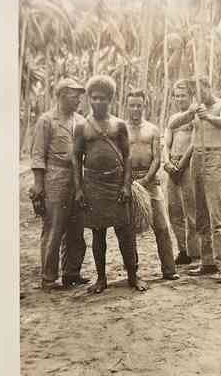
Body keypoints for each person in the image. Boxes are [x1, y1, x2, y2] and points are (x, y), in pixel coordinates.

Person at [73, 75, 147, 293]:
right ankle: (101, 278)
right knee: (98, 234)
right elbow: (76, 159)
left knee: (126, 233)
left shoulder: (118, 125)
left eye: (102, 98)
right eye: (94, 98)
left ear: (110, 99)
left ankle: (133, 275)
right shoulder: (82, 127)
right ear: (89, 99)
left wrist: (126, 185)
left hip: (116, 184)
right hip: (93, 185)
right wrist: (79, 189)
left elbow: (127, 156)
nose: (98, 102)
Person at [168, 76, 221, 284]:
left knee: (217, 215)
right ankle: (207, 261)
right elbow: (173, 123)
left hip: (215, 156)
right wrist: (190, 113)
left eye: (201, 90)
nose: (199, 94)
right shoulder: (195, 108)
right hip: (197, 157)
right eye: (195, 91)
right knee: (200, 214)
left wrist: (208, 117)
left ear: (208, 87)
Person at [30, 78, 89, 291]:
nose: (78, 100)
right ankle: (49, 277)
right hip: (55, 177)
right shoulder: (46, 121)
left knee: (77, 228)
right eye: (74, 96)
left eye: (79, 96)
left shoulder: (81, 121)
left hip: (77, 178)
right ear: (62, 96)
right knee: (54, 228)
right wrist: (38, 185)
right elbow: (38, 155)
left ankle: (72, 272)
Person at [126, 89, 179, 281]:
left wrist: (146, 179)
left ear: (144, 106)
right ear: (127, 106)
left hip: (150, 180)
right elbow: (121, 157)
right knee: (129, 229)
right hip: (129, 182)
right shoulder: (122, 129)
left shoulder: (152, 129)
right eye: (132, 105)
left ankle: (169, 269)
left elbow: (157, 158)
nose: (135, 109)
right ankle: (132, 272)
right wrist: (129, 181)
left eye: (139, 105)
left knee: (162, 225)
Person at [163, 79, 201, 265]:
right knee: (174, 210)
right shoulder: (173, 118)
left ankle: (195, 252)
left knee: (191, 210)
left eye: (183, 95)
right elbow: (166, 143)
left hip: (188, 165)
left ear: (191, 96)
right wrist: (166, 162)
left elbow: (194, 143)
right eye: (176, 96)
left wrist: (182, 165)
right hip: (173, 165)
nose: (179, 99)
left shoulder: (196, 116)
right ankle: (183, 250)